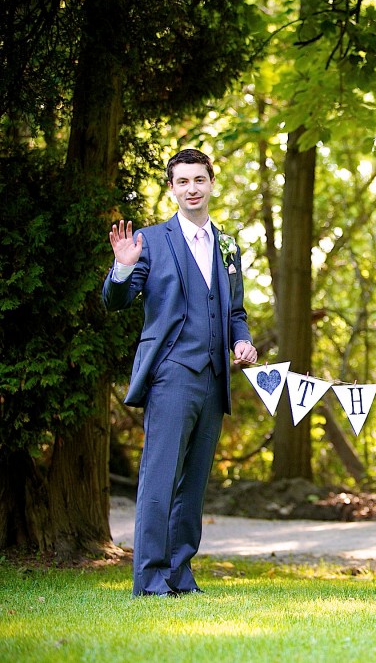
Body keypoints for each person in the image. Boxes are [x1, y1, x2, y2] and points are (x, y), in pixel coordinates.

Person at [103, 148, 258, 597]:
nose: (192, 188)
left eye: (199, 180)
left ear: (212, 183)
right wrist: (121, 267)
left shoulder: (228, 244)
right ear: (171, 188)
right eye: (183, 181)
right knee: (159, 479)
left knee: (192, 484)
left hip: (214, 378)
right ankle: (150, 579)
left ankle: (180, 575)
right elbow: (115, 301)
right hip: (171, 374)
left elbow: (236, 310)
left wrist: (241, 341)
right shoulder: (149, 240)